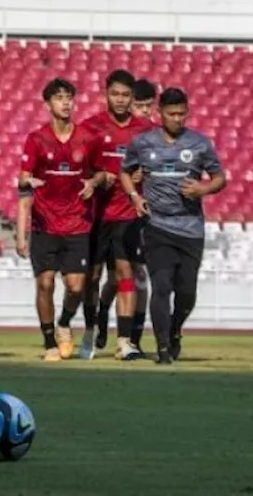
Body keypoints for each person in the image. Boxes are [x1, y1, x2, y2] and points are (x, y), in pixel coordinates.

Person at [120, 88, 225, 365]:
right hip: (157, 226)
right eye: (171, 114)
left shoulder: (199, 144)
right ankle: (163, 348)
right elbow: (125, 172)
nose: (177, 118)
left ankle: (175, 329)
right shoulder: (143, 143)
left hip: (191, 228)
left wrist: (203, 188)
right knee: (161, 286)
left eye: (182, 113)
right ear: (160, 113)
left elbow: (219, 178)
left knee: (187, 294)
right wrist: (135, 196)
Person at [16, 78, 107, 361]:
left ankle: (64, 323)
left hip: (78, 224)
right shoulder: (37, 139)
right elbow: (22, 180)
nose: (65, 102)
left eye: (69, 97)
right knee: (44, 284)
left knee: (77, 286)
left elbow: (105, 173)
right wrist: (27, 180)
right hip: (45, 225)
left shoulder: (88, 139)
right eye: (59, 98)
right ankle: (48, 342)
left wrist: (94, 181)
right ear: (47, 104)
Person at [81, 70, 150, 361]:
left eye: (125, 95)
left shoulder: (147, 131)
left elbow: (157, 167)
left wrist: (145, 172)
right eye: (115, 94)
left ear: (132, 97)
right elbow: (77, 169)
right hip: (95, 215)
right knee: (92, 277)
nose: (120, 100)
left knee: (126, 273)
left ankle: (124, 342)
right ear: (105, 94)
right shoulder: (90, 128)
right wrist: (97, 177)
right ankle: (90, 328)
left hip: (127, 214)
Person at [95, 76, 158, 353]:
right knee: (111, 279)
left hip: (135, 216)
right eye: (140, 105)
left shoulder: (151, 134)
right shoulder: (98, 129)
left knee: (135, 275)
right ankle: (100, 312)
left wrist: (147, 174)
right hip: (102, 215)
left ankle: (131, 339)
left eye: (148, 106)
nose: (144, 111)